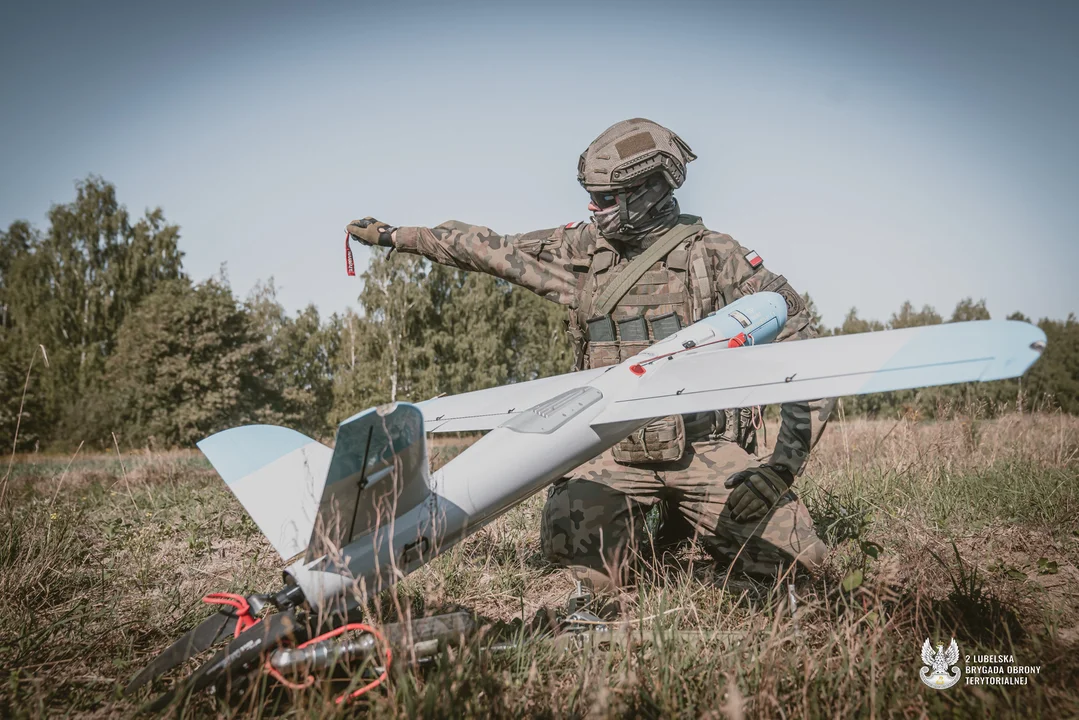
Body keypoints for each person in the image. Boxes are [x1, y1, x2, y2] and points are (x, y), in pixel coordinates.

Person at [347, 118, 832, 590]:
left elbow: (804, 348)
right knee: (576, 545)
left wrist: (778, 469)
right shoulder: (580, 252)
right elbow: (486, 248)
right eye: (591, 197)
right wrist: (397, 236)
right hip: (610, 451)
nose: (593, 207)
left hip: (702, 449)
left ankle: (683, 521)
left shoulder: (716, 256)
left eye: (605, 198)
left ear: (649, 191)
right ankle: (652, 532)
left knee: (796, 562)